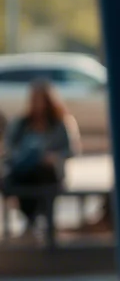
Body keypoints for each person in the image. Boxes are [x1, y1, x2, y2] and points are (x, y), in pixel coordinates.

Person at [2, 79, 81, 236]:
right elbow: (9, 149)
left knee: (43, 175)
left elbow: (71, 150)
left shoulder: (59, 124)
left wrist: (53, 157)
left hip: (48, 172)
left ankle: (41, 221)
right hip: (23, 171)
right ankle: (31, 219)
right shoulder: (22, 123)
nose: (37, 104)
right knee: (15, 180)